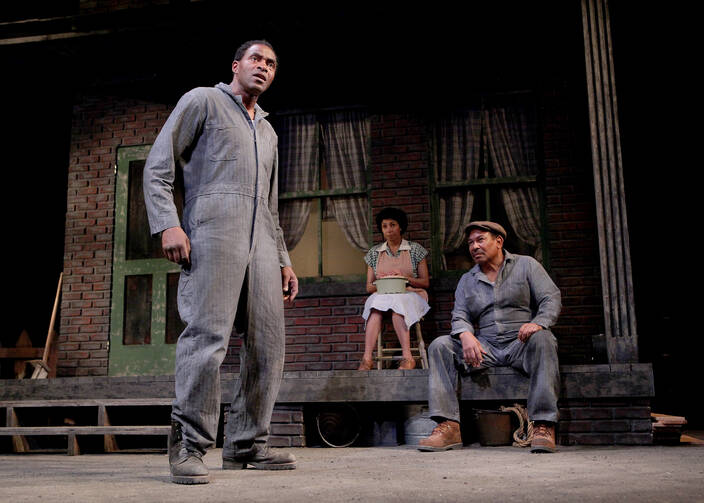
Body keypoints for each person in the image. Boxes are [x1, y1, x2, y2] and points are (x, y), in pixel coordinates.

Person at [143, 40, 299, 484]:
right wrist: (168, 225)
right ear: (236, 65)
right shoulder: (203, 101)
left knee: (269, 347)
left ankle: (248, 444)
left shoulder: (268, 132)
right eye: (256, 59)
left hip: (263, 247)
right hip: (212, 234)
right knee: (207, 340)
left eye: (271, 63)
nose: (263, 67)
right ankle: (189, 446)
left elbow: (270, 205)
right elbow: (157, 168)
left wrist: (284, 260)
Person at [418, 221, 561, 453]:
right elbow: (460, 315)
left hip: (521, 343)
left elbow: (551, 298)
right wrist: (465, 335)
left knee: (544, 339)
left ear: (499, 241)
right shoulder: (468, 280)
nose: (474, 246)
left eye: (480, 240)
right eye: (471, 243)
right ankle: (448, 426)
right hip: (486, 347)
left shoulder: (526, 265)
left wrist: (537, 323)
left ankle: (543, 425)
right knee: (441, 345)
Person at [359, 207, 430, 371]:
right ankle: (367, 359)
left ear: (401, 227)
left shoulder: (415, 250)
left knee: (398, 308)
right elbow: (369, 286)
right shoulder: (374, 253)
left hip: (410, 292)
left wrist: (404, 278)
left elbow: (425, 282)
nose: (389, 230)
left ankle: (408, 358)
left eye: (392, 225)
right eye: (385, 226)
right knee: (374, 309)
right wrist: (384, 282)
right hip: (383, 294)